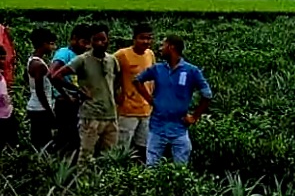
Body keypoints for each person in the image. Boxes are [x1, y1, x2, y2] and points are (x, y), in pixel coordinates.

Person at [134, 36, 213, 166]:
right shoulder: (157, 69)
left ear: (171, 47)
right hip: (157, 127)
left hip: (179, 128)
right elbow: (137, 80)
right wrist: (150, 100)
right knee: (151, 167)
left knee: (181, 169)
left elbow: (207, 94)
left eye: (162, 45)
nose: (160, 49)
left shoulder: (191, 71)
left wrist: (194, 117)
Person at [52, 24, 119, 163]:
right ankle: (84, 183)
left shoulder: (112, 60)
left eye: (103, 39)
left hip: (111, 115)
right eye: (96, 40)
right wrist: (76, 90)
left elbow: (117, 80)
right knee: (86, 157)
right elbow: (56, 76)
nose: (101, 43)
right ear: (91, 42)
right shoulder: (82, 60)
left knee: (109, 157)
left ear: (108, 40)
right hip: (90, 116)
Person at [50, 24, 92, 158]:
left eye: (89, 43)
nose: (87, 46)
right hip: (66, 103)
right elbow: (53, 75)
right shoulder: (64, 53)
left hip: (77, 102)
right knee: (66, 137)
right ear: (74, 39)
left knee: (76, 138)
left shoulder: (83, 56)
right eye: (84, 42)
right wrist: (70, 93)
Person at [115, 23, 155, 161]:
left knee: (142, 146)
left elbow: (153, 77)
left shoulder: (150, 54)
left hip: (146, 110)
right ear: (134, 38)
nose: (146, 42)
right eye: (142, 38)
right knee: (122, 147)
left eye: (149, 38)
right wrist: (117, 94)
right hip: (127, 110)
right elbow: (111, 75)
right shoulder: (122, 55)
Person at [27, 27, 58, 152]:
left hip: (35, 106)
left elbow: (28, 80)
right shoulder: (39, 65)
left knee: (38, 142)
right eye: (51, 44)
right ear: (43, 43)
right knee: (44, 144)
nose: (53, 47)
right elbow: (40, 91)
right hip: (40, 109)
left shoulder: (32, 60)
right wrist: (50, 112)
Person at [0, 46, 15, 150]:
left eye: (3, 58)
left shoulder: (1, 75)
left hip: (7, 114)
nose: (3, 61)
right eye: (0, 58)